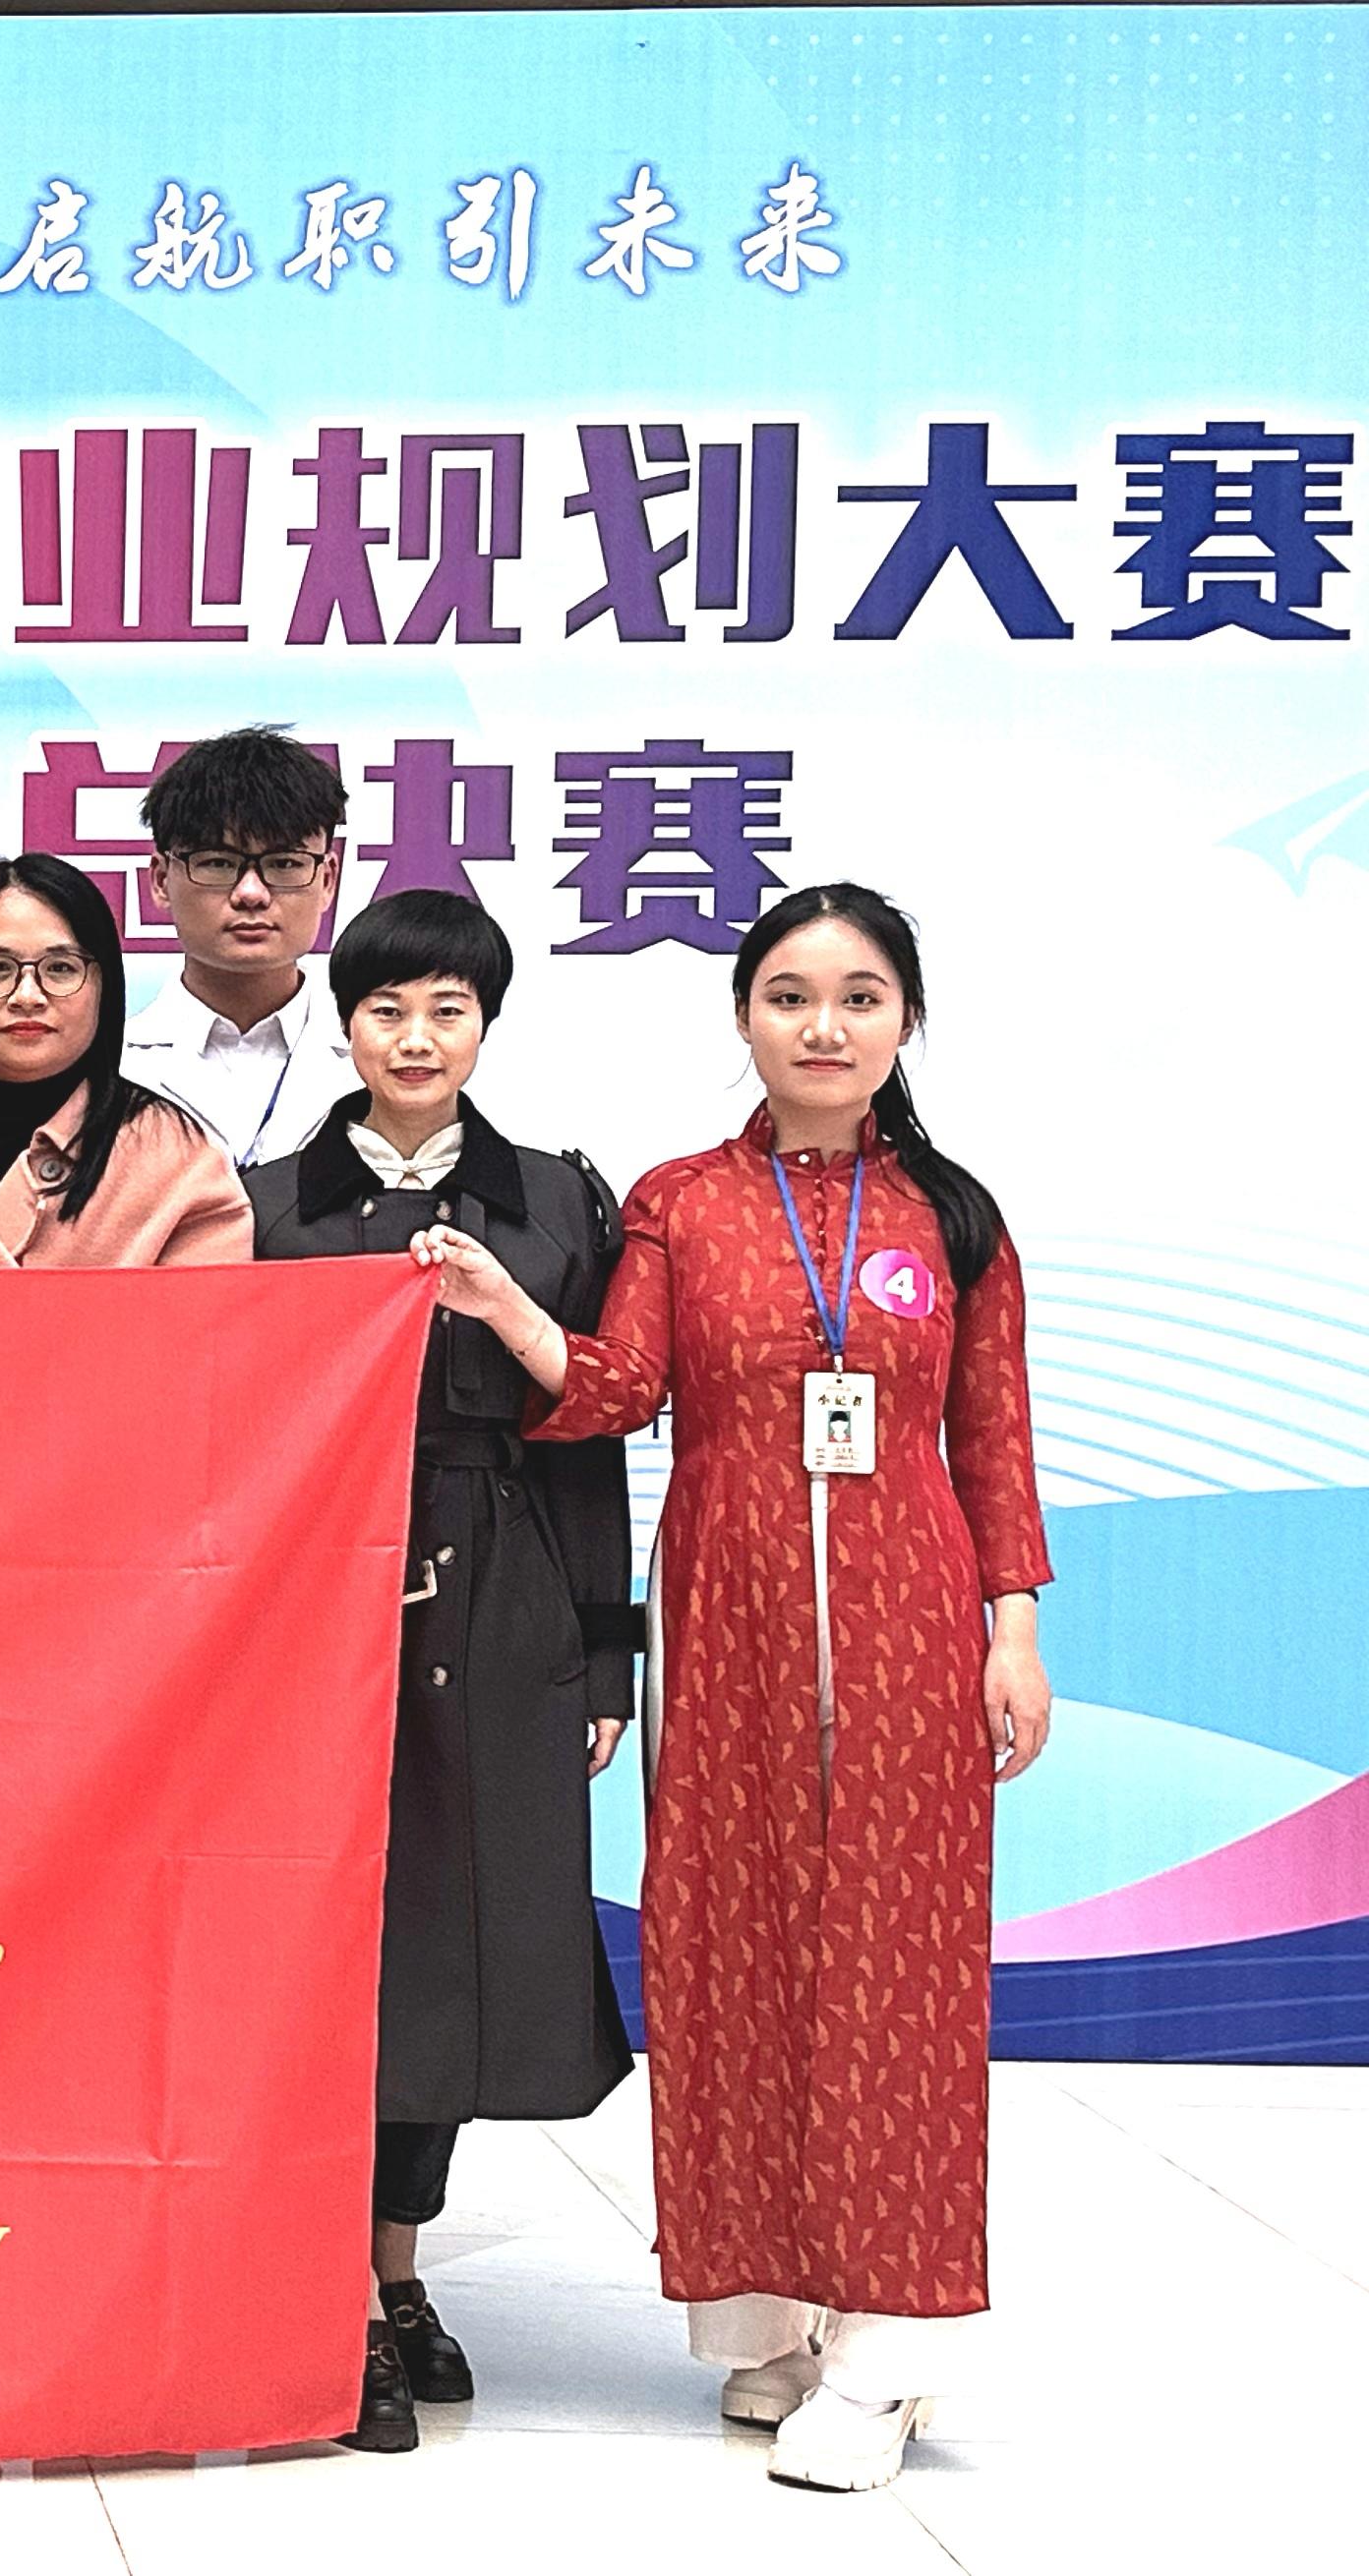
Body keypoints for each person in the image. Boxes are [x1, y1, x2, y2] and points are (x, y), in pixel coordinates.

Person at [429, 883, 1050, 2495]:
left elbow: (991, 1441)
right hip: (726, 1630)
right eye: (789, 996)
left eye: (858, 998)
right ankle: (768, 2316)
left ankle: (887, 2347)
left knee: (898, 1974)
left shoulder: (952, 1219)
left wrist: (1013, 1632)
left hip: (912, 1633)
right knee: (732, 1950)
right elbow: (616, 1391)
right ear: (743, 1018)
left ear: (904, 1021)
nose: (823, 1027)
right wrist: (507, 1309)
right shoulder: (681, 1204)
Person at [245, 891, 636, 2455]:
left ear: (487, 1026)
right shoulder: (266, 1204)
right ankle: (326, 2292)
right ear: (342, 1024)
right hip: (315, 1607)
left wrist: (602, 1652)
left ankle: (397, 2272)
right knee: (326, 1946)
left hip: (508, 1592)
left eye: (447, 1012)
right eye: (386, 1011)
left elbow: (591, 1436)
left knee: (460, 1950)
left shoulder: (556, 1201)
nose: (416, 1040)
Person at [0, 853, 247, 1268]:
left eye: (61, 968)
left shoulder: (179, 1161)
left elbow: (213, 1310)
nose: (27, 996)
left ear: (105, 986)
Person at [124, 726, 348, 1169]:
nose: (251, 893)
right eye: (218, 863)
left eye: (284, 863)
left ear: (327, 880)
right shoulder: (111, 1069)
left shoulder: (375, 1065)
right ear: (161, 880)